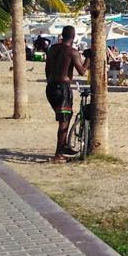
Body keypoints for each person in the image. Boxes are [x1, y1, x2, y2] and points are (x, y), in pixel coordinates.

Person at [45, 25, 86, 163]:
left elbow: (47, 69)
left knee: (65, 118)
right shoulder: (72, 52)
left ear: (62, 35)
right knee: (64, 121)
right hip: (63, 88)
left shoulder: (52, 49)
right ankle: (58, 154)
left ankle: (63, 147)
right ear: (73, 37)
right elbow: (82, 71)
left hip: (50, 87)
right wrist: (89, 58)